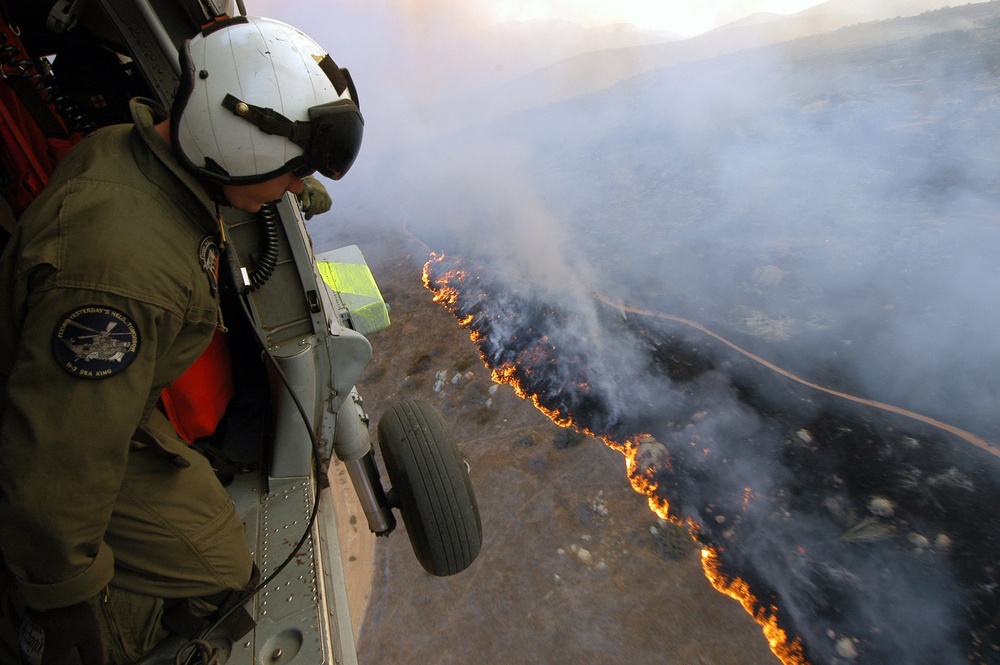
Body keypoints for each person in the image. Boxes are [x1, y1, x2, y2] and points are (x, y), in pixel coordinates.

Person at [0, 14, 363, 664]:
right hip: (55, 440)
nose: (297, 187)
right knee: (219, 567)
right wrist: (64, 593)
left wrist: (282, 185)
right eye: (290, 172)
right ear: (233, 152)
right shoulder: (121, 276)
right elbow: (61, 449)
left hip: (91, 408)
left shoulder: (136, 149)